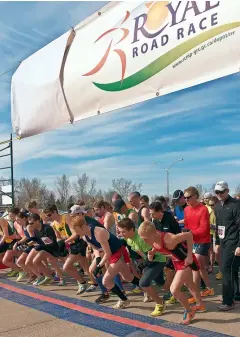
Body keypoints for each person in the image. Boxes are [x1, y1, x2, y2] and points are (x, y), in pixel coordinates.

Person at [138, 221, 205, 325]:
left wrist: (189, 256)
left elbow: (189, 235)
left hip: (185, 261)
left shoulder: (169, 238)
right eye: (142, 238)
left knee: (174, 289)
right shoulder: (152, 239)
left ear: (154, 233)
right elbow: (157, 245)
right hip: (177, 261)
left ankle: (189, 311)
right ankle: (200, 304)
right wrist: (152, 252)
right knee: (189, 284)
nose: (143, 240)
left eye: (145, 238)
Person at [70, 215, 140, 309]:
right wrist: (98, 259)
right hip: (108, 253)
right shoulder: (85, 236)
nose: (77, 234)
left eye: (77, 231)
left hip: (117, 252)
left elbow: (108, 253)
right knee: (127, 277)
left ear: (83, 227)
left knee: (106, 281)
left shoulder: (98, 232)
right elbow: (95, 248)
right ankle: (146, 289)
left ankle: (124, 299)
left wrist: (99, 266)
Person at [117, 218, 166, 317]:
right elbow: (139, 252)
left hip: (158, 260)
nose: (121, 234)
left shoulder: (141, 239)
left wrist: (145, 263)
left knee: (143, 283)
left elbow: (154, 254)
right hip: (150, 261)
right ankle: (177, 291)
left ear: (132, 230)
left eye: (124, 232)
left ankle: (160, 303)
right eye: (120, 231)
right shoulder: (129, 239)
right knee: (160, 282)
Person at [184, 187, 214, 304]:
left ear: (195, 196)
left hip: (203, 240)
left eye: (188, 197)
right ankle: (209, 288)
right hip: (192, 241)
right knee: (200, 268)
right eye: (185, 198)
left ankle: (195, 294)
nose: (186, 200)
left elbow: (204, 228)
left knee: (195, 267)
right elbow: (186, 224)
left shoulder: (203, 209)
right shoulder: (186, 209)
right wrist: (186, 233)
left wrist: (190, 232)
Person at [214, 181, 240, 310]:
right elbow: (218, 226)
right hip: (223, 241)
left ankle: (227, 301)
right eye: (217, 192)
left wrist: (239, 245)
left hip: (234, 242)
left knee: (225, 269)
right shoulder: (217, 206)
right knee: (232, 269)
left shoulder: (236, 205)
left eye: (221, 192)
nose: (219, 194)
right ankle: (235, 295)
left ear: (227, 191)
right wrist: (217, 242)